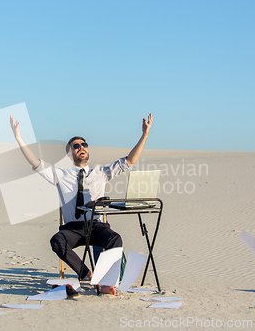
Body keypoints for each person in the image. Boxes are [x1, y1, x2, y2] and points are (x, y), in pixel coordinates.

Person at [10, 113, 153, 295]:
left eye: (84, 145)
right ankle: (87, 273)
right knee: (56, 241)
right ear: (70, 154)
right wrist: (19, 138)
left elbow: (129, 161)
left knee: (114, 238)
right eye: (76, 146)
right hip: (74, 229)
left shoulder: (101, 173)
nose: (81, 148)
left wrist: (145, 135)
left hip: (96, 226)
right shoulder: (60, 175)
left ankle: (106, 283)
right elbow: (35, 163)